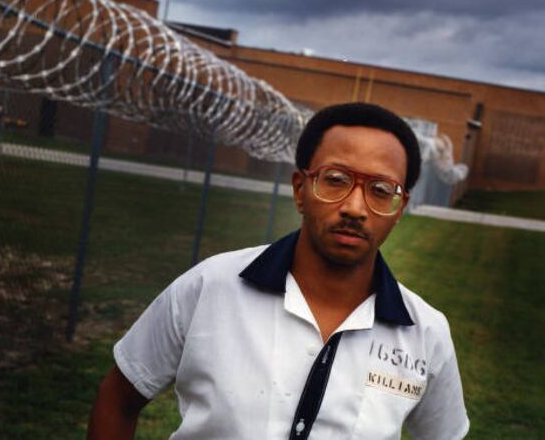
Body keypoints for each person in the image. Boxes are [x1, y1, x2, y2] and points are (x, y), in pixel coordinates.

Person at [87, 103, 469, 439]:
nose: (355, 207)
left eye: (381, 190)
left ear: (399, 209)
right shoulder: (210, 288)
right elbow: (119, 399)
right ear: (300, 189)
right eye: (335, 180)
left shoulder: (426, 335)